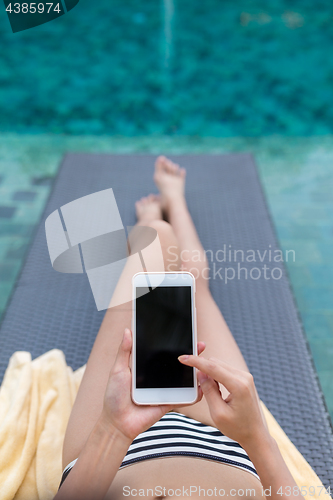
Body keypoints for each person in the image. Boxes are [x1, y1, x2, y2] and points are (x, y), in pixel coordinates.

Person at [55, 156, 301, 500]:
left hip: (104, 450)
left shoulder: (111, 431)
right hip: (225, 443)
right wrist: (257, 437)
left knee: (158, 240)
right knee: (193, 283)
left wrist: (113, 430)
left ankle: (155, 218)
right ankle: (175, 200)